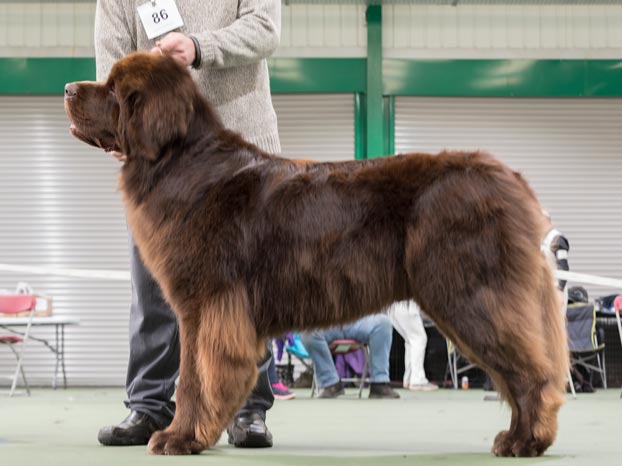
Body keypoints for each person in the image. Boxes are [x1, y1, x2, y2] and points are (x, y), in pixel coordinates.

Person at [94, 0, 281, 448]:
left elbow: (265, 29)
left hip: (239, 154)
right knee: (152, 289)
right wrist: (115, 127)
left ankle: (246, 409)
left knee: (243, 291)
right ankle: (149, 404)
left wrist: (200, 47)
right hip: (158, 159)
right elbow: (111, 63)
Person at [300, 314, 400, 399]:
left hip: (356, 320)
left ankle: (379, 384)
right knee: (308, 332)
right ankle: (330, 384)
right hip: (326, 323)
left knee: (383, 322)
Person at [387, 300, 438, 391]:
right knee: (419, 339)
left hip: (393, 307)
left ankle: (409, 379)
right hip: (406, 305)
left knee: (411, 340)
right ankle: (418, 380)